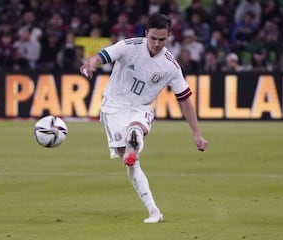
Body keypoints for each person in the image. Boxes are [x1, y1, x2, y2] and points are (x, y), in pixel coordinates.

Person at [80, 13, 208, 223]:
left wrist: (197, 134)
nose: (157, 43)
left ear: (169, 37)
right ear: (146, 33)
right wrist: (91, 63)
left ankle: (135, 136)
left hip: (140, 108)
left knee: (138, 125)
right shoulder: (128, 46)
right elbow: (102, 56)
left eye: (162, 39)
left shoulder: (171, 66)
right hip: (113, 107)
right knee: (130, 162)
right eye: (153, 38)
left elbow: (184, 99)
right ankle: (154, 211)